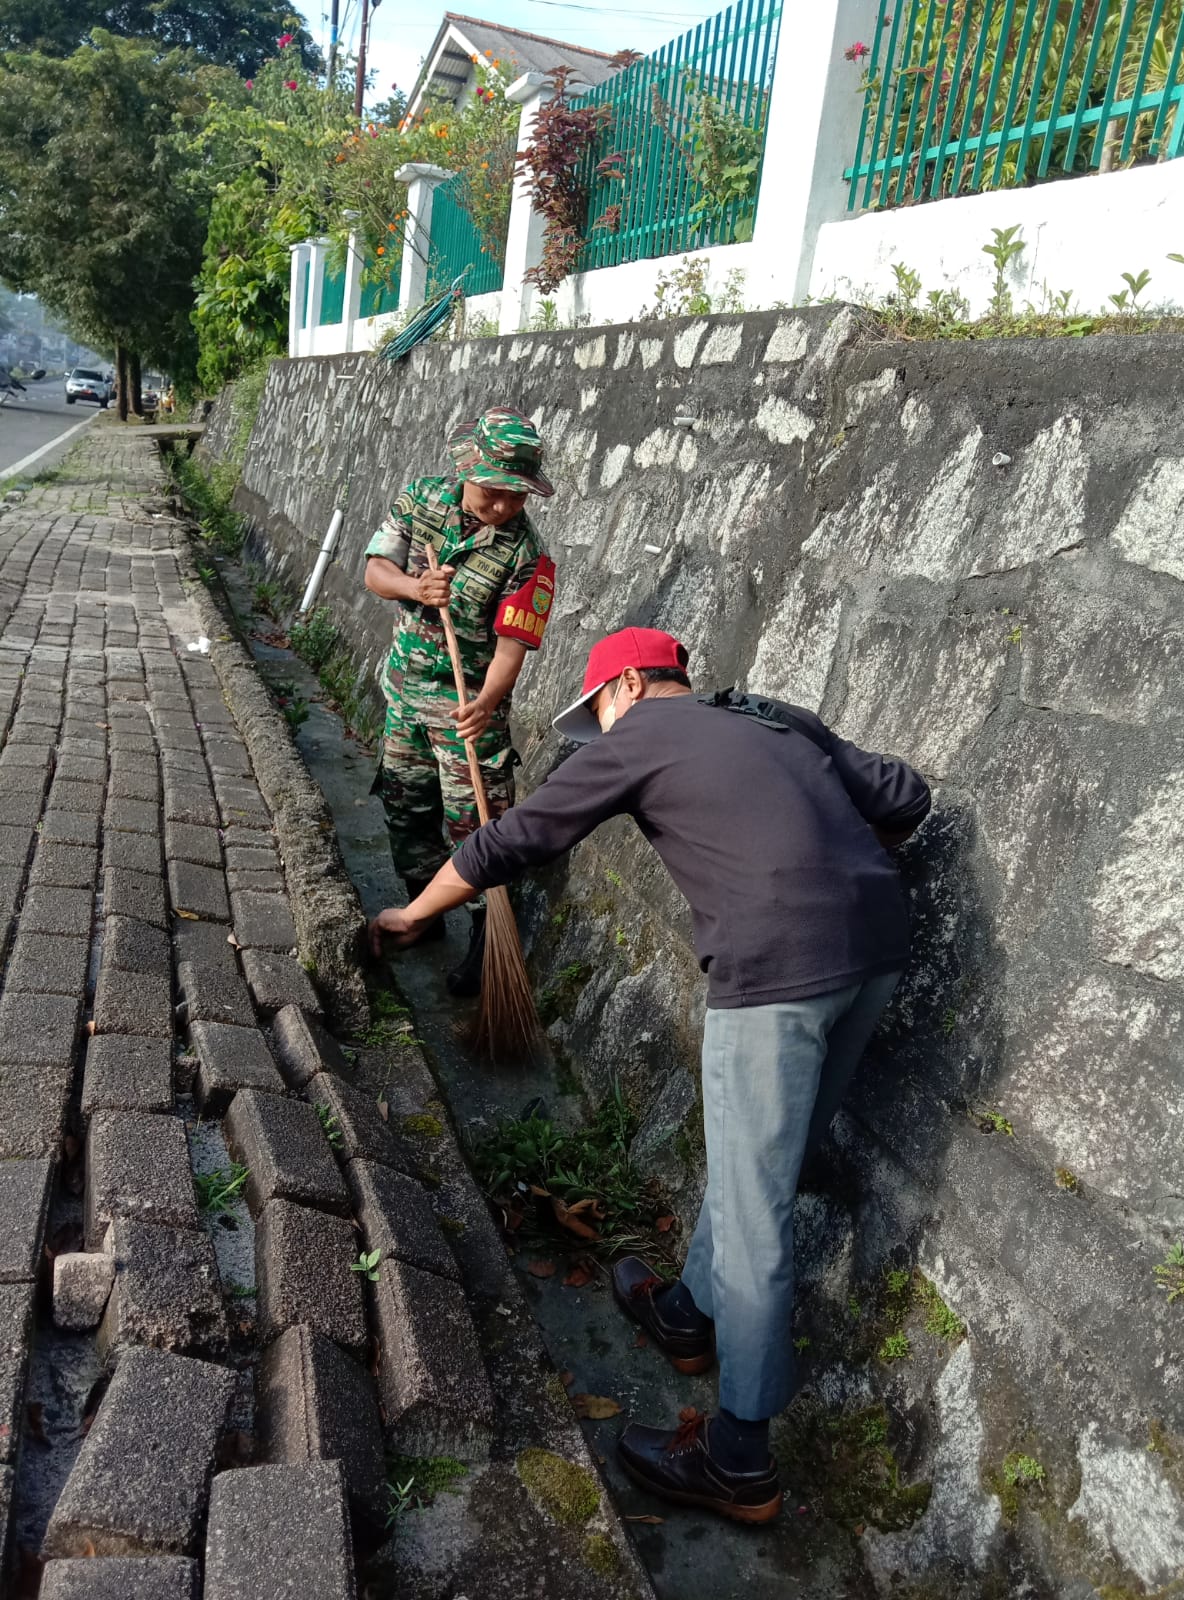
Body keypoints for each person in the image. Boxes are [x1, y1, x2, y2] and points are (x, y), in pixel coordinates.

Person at [369, 626, 930, 1523]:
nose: (603, 729)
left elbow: (512, 840)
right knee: (760, 1169)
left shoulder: (640, 733)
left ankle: (740, 1460)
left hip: (778, 970)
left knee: (756, 1211)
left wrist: (411, 914)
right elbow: (905, 796)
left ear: (624, 684)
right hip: (875, 956)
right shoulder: (772, 714)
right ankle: (685, 1312)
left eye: (598, 712)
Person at [364, 406, 557, 996]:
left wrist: (486, 702)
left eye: (516, 496)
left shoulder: (530, 556)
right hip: (404, 693)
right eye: (494, 490)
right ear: (468, 468)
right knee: (406, 809)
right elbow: (375, 571)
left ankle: (485, 941)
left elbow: (512, 646)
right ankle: (420, 916)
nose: (503, 505)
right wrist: (415, 587)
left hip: (467, 713)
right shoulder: (422, 500)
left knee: (475, 830)